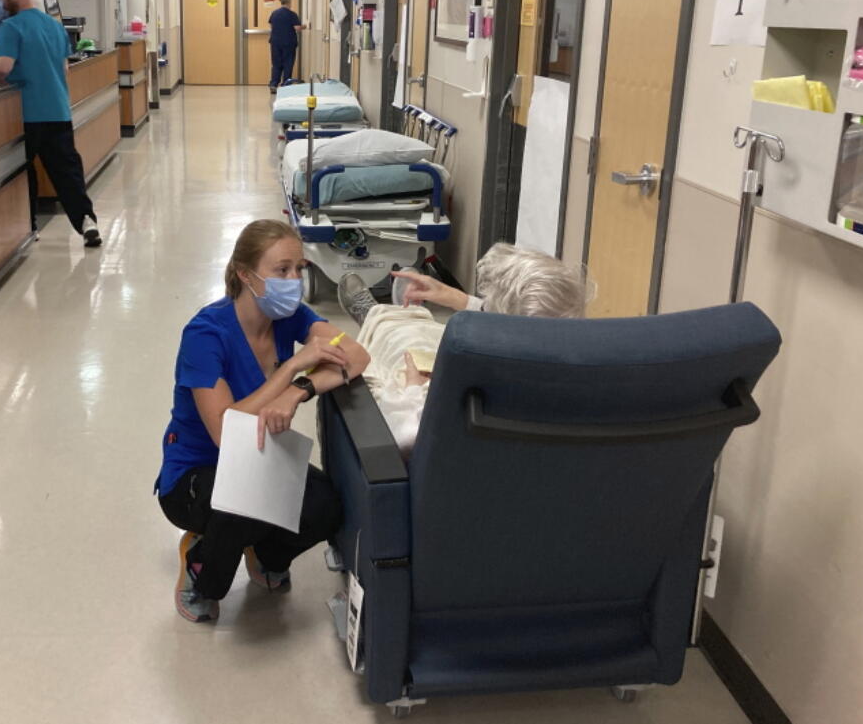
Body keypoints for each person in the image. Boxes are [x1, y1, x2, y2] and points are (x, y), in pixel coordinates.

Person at [157, 219, 371, 623]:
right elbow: (224, 431)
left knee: (327, 504)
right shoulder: (205, 335)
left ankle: (266, 554)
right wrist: (291, 367)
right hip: (196, 472)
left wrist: (298, 391)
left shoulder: (289, 317)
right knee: (244, 504)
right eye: (282, 270)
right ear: (245, 274)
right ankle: (200, 566)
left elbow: (356, 355)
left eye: (299, 269)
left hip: (259, 454)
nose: (294, 280)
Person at [337, 243, 592, 455]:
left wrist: (413, 390)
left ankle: (376, 315)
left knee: (405, 345)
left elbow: (404, 439)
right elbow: (519, 323)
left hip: (450, 492)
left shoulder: (465, 402)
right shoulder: (588, 388)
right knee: (429, 334)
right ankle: (405, 314)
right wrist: (455, 297)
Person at [0, 0, 101, 248]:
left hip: (27, 114)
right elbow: (64, 68)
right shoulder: (54, 25)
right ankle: (87, 222)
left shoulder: (12, 26)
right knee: (68, 172)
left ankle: (29, 226)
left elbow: (3, 66)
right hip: (58, 110)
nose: (0, 3)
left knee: (24, 172)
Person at [267, 0, 305, 92]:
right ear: (289, 2)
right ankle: (285, 85)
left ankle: (273, 84)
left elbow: (271, 25)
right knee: (288, 64)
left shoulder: (274, 13)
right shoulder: (292, 14)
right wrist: (304, 26)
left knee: (276, 64)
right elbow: (297, 28)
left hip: (275, 42)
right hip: (288, 43)